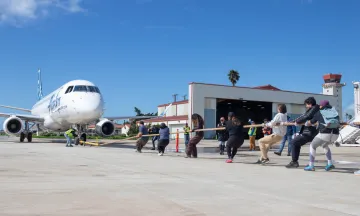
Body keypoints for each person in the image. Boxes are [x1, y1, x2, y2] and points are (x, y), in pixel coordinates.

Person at [304, 100, 340, 171]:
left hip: (325, 133)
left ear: (321, 106)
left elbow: (311, 122)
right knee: (325, 145)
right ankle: (330, 164)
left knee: (312, 145)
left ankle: (311, 165)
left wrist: (306, 123)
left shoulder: (320, 112)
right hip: (335, 134)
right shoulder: (334, 112)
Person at [286, 97, 320, 168]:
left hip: (309, 132)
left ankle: (294, 162)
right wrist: (295, 121)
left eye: (306, 105)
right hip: (310, 132)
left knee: (294, 142)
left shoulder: (314, 108)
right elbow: (305, 116)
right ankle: (296, 161)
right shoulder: (315, 109)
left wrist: (297, 121)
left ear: (310, 104)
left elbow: (307, 116)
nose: (306, 106)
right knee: (296, 143)